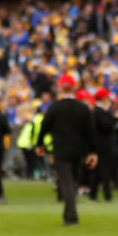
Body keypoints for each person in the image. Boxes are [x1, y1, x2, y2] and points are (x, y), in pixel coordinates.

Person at [35, 75, 97, 225]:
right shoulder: (83, 108)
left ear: (60, 87)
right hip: (78, 150)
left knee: (66, 183)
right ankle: (69, 213)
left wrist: (39, 144)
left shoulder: (55, 107)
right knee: (72, 181)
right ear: (74, 87)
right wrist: (93, 151)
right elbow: (91, 131)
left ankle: (71, 217)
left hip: (61, 150)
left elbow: (44, 126)